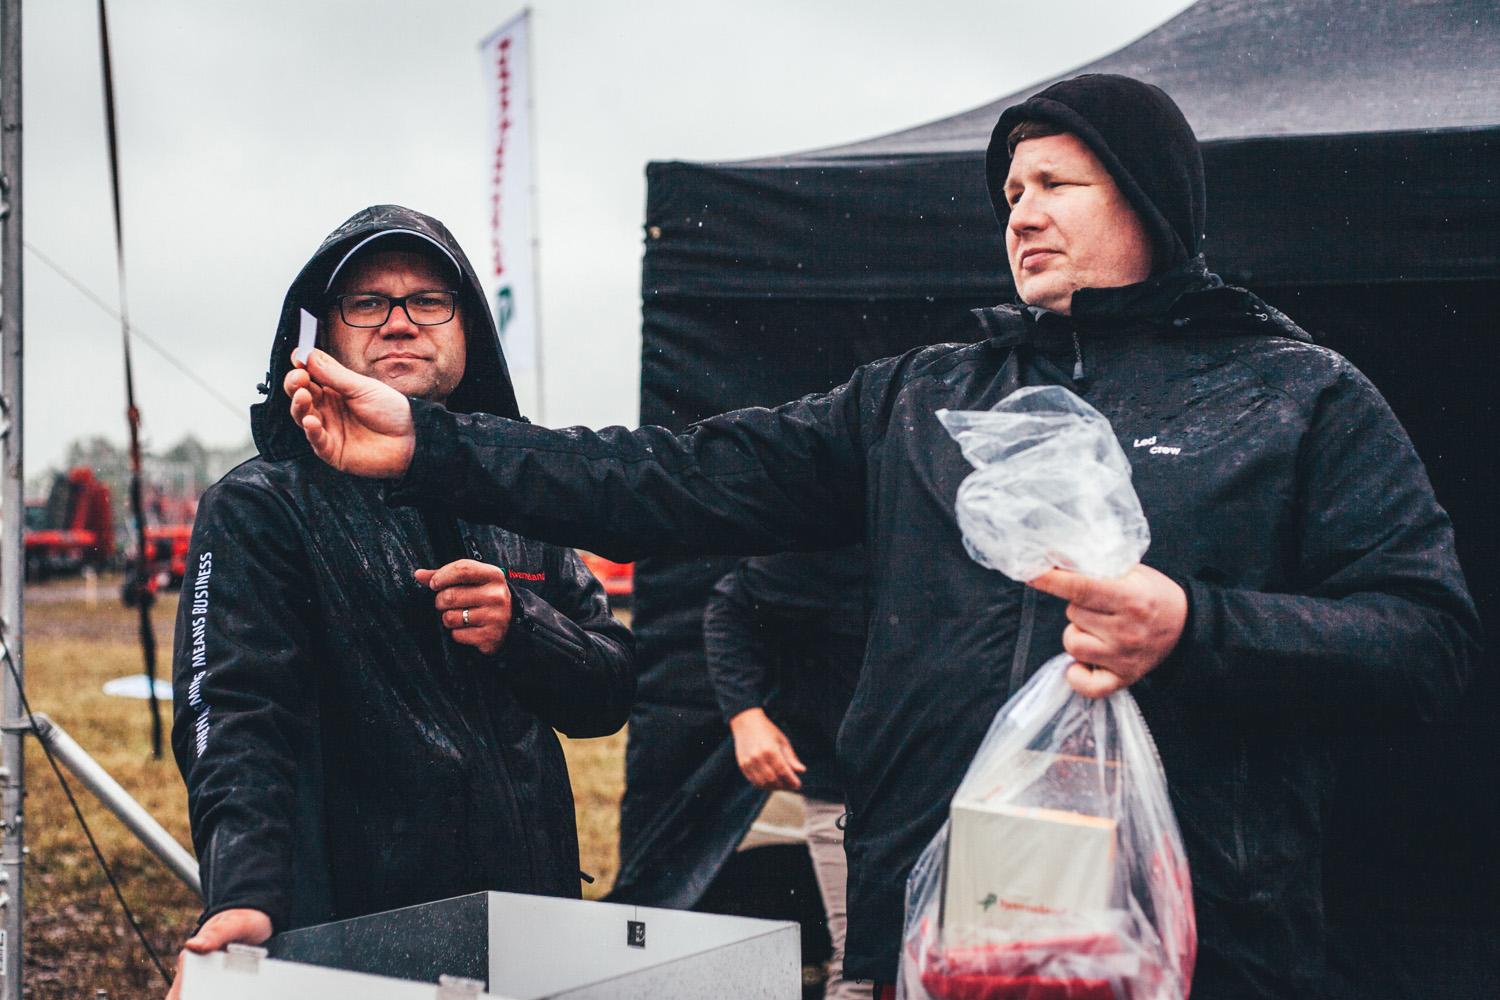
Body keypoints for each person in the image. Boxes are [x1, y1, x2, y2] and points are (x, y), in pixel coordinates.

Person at [283, 78, 1480, 999]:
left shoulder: (1296, 397)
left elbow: (1424, 639)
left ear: (1150, 197)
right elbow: (673, 476)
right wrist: (435, 445)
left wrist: (1196, 626)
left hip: (1193, 943)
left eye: (1056, 183)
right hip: (939, 937)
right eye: (1009, 193)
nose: (1022, 213)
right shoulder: (924, 398)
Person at [167, 205, 634, 992]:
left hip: (530, 925)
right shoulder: (260, 507)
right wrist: (244, 894)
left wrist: (524, 631)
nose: (399, 321)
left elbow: (610, 691)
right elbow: (236, 717)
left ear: (467, 327)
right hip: (360, 945)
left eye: (426, 300)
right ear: (323, 331)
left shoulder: (516, 495)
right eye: (368, 302)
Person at [703, 548, 868, 1000]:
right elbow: (731, 606)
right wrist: (746, 716)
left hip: (947, 779)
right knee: (862, 971)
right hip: (844, 786)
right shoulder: (835, 542)